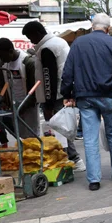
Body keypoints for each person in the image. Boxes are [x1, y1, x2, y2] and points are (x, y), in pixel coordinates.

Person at [60, 14, 112, 192]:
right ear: (108, 28)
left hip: (85, 97)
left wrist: (66, 93)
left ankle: (94, 179)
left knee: (90, 139)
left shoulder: (78, 44)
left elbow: (68, 71)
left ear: (92, 26)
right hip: (111, 96)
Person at [22, 21, 83, 170]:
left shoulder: (47, 48)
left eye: (30, 37)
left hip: (55, 97)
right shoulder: (59, 42)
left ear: (37, 33)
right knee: (64, 128)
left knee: (60, 129)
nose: (31, 41)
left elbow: (49, 78)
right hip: (64, 92)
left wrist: (48, 104)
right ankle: (71, 159)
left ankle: (72, 159)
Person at [0, 38, 39, 139]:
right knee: (20, 134)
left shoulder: (28, 62)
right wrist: (4, 99)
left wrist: (23, 106)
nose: (1, 59)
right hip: (13, 104)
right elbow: (2, 84)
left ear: (11, 51)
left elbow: (34, 88)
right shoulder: (2, 64)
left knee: (32, 134)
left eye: (2, 56)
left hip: (28, 104)